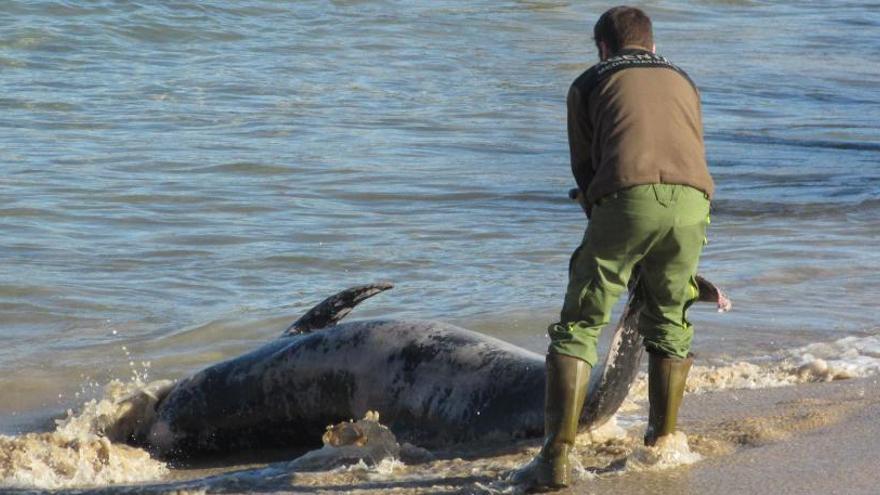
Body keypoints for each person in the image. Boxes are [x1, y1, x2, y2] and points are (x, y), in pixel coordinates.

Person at [513, 6, 715, 491]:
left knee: (581, 322)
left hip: (628, 197)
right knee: (670, 320)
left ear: (603, 46)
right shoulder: (682, 78)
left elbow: (585, 170)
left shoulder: (589, 81)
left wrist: (600, 217)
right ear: (650, 42)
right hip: (694, 201)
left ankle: (557, 457)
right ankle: (663, 442)